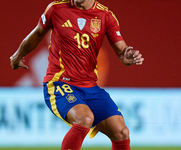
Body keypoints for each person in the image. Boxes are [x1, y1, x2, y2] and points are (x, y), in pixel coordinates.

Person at [10, 0, 144, 149]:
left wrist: (128, 56)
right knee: (84, 118)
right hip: (59, 83)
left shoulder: (105, 16)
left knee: (122, 132)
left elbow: (122, 51)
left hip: (90, 87)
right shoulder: (56, 9)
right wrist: (17, 55)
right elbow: (37, 34)